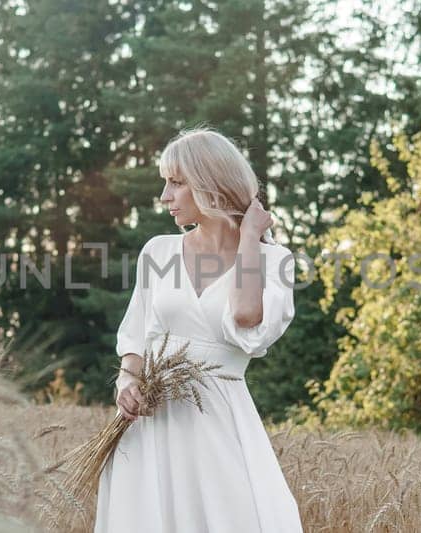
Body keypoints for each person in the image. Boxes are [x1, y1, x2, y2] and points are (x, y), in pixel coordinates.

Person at [94, 127, 303, 532]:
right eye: (165, 183)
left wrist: (248, 237)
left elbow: (245, 317)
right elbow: (135, 333)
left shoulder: (273, 259)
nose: (164, 196)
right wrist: (126, 380)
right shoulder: (158, 251)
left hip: (217, 423)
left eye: (176, 183)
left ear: (210, 185)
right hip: (150, 424)